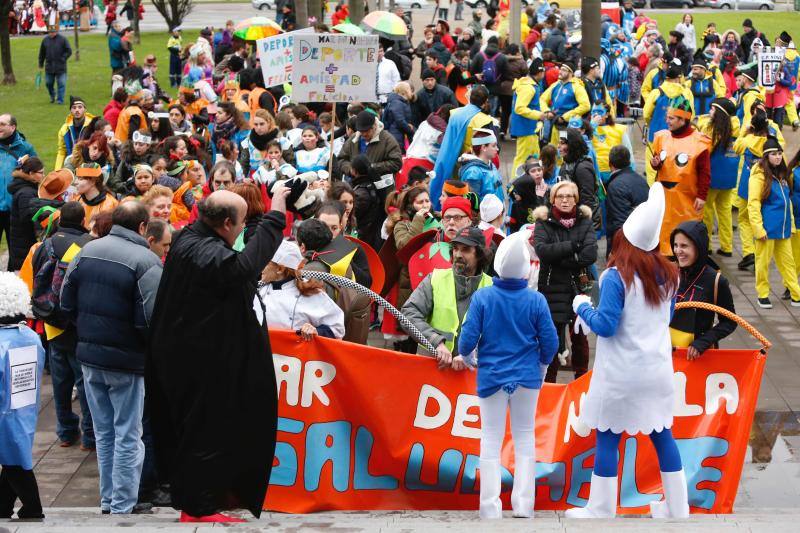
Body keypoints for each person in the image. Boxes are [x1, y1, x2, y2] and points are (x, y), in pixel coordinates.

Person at [147, 187, 288, 523]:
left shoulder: (191, 238)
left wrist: (263, 219)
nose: (242, 232)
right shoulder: (205, 254)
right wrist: (276, 216)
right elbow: (244, 267)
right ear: (226, 223)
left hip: (192, 355)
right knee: (203, 431)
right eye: (241, 224)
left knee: (207, 429)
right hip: (195, 364)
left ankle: (201, 501)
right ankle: (197, 508)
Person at [565, 183, 689, 520]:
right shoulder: (670, 275)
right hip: (658, 371)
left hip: (621, 373)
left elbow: (605, 326)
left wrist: (581, 306)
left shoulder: (614, 277)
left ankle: (601, 508)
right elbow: (666, 316)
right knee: (663, 436)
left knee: (607, 436)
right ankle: (678, 509)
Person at [60, 202, 163, 515]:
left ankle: (109, 500)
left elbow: (65, 302)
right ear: (143, 227)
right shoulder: (146, 260)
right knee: (129, 434)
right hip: (126, 362)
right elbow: (151, 318)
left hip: (90, 357)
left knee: (105, 434)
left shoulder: (86, 250)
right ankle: (122, 505)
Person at [458, 234, 557, 520]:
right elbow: (550, 342)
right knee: (525, 438)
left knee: (490, 439)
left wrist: (468, 357)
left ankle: (490, 507)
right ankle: (524, 505)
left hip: (491, 377)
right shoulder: (536, 299)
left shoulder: (484, 296)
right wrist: (541, 365)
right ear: (526, 268)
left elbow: (467, 341)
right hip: (527, 378)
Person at [31, 201, 94, 451]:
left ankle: (66, 432)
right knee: (84, 384)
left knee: (60, 383)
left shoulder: (44, 245)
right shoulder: (88, 245)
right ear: (82, 220)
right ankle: (90, 436)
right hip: (77, 324)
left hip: (51, 324)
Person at [532, 181, 597, 382]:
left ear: (576, 199)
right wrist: (573, 246)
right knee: (551, 339)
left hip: (578, 288)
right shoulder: (543, 221)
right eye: (560, 196)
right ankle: (549, 385)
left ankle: (581, 381)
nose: (565, 200)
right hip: (552, 289)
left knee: (580, 337)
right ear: (553, 200)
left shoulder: (585, 221)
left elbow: (590, 254)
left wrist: (559, 256)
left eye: (569, 196)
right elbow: (542, 250)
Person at [403, 225, 493, 363]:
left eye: (466, 250)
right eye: (456, 248)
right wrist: (435, 341)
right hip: (431, 368)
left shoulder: (493, 288)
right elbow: (408, 314)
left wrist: (472, 355)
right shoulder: (435, 278)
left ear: (480, 254)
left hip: (472, 374)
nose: (457, 255)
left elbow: (502, 333)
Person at [0, 272, 46, 520]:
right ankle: (3, 505)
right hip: (26, 405)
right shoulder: (30, 336)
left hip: (4, 410)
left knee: (14, 461)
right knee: (14, 454)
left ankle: (33, 507)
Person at [650, 96, 710, 255]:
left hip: (687, 198)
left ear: (683, 120)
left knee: (686, 231)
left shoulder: (699, 142)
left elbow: (705, 172)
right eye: (667, 118)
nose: (667, 121)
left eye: (671, 118)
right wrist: (655, 163)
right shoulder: (662, 137)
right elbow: (658, 162)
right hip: (664, 196)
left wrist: (702, 196)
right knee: (663, 228)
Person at [669, 221, 737, 357]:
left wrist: (703, 342)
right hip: (666, 354)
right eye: (675, 245)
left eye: (684, 246)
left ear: (698, 247)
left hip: (697, 358)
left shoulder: (716, 281)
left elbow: (730, 322)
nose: (678, 251)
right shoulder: (669, 271)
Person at [255, 239, 345, 340]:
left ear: (280, 269)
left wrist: (316, 331)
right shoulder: (259, 290)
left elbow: (337, 328)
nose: (260, 266)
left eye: (265, 263)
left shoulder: (311, 293)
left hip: (294, 355)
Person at [747, 138, 800, 308]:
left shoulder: (782, 175)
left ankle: (796, 293)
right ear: (766, 156)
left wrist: (790, 225)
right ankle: (762, 294)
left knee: (788, 263)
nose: (777, 157)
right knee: (763, 263)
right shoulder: (759, 176)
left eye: (779, 154)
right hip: (766, 230)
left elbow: (788, 204)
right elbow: (753, 203)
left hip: (783, 229)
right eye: (773, 154)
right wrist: (758, 229)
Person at [431, 85, 494, 208]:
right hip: (473, 165)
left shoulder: (455, 114)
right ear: (485, 101)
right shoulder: (483, 120)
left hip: (452, 160)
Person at [696, 98, 740, 258]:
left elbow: (704, 149)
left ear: (720, 112)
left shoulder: (712, 129)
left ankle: (706, 246)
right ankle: (727, 247)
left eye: (713, 109)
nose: (710, 112)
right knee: (725, 212)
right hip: (729, 176)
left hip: (712, 175)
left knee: (706, 212)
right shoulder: (736, 127)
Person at [338, 111, 402, 214]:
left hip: (381, 191)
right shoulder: (354, 139)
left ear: (374, 126)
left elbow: (396, 163)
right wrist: (350, 169)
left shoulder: (387, 139)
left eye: (366, 131)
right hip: (357, 189)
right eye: (361, 131)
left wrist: (371, 167)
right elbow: (341, 159)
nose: (363, 134)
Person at [643, 62, 694, 183]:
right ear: (678, 77)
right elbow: (690, 116)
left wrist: (652, 123)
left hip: (656, 137)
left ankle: (654, 194)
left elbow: (646, 114)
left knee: (652, 169)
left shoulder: (656, 92)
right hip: (678, 138)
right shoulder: (686, 94)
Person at [0, 114, 38, 256]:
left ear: (13, 127)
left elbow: (38, 174)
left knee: (16, 252)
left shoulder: (26, 148)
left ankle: (12, 277)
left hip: (14, 209)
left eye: (2, 124)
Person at [605, 145, 648, 258]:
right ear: (629, 162)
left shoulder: (615, 186)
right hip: (643, 241)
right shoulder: (641, 180)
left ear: (610, 164)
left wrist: (614, 252)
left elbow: (619, 222)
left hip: (626, 248)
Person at [539, 62, 590, 146]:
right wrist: (547, 111)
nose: (560, 71)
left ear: (571, 73)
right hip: (554, 122)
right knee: (553, 147)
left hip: (566, 126)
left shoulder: (577, 86)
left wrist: (565, 117)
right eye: (560, 69)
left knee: (564, 147)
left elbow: (585, 106)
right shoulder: (556, 85)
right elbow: (542, 99)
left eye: (564, 70)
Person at [558, 129, 600, 230]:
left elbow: (588, 200)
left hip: (581, 224)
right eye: (558, 143)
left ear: (572, 145)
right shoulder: (566, 164)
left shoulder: (582, 168)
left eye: (562, 143)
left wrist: (586, 228)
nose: (558, 146)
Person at [510, 59, 545, 172]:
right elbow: (519, 108)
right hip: (526, 129)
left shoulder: (529, 85)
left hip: (530, 129)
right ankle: (514, 185)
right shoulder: (529, 88)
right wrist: (539, 115)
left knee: (533, 157)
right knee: (522, 159)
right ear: (540, 73)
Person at [458, 128, 504, 203]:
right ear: (484, 148)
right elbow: (472, 204)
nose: (497, 149)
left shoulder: (491, 165)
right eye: (494, 146)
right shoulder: (473, 172)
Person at [508, 159, 549, 232]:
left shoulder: (548, 191)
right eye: (533, 171)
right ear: (527, 174)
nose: (537, 173)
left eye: (539, 170)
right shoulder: (518, 192)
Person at [75, 164, 119, 228]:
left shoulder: (110, 204)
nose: (75, 182)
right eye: (77, 178)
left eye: (80, 179)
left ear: (93, 181)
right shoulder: (76, 199)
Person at [56, 96, 94, 169]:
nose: (77, 110)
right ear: (70, 110)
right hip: (71, 163)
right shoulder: (64, 129)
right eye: (74, 108)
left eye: (80, 107)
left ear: (85, 109)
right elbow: (61, 151)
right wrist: (57, 170)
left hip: (89, 163)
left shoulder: (92, 126)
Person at [38, 24, 72, 105]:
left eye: (53, 32)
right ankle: (52, 95)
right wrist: (40, 64)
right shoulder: (45, 40)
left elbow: (69, 51)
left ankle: (60, 100)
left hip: (61, 67)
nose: (52, 34)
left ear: (56, 31)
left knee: (61, 83)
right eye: (50, 32)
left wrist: (63, 58)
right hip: (49, 67)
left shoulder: (63, 39)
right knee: (48, 83)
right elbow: (41, 53)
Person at [383, 82, 415, 152]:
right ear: (404, 91)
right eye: (410, 90)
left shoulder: (400, 102)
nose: (411, 92)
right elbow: (399, 120)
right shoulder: (397, 103)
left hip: (398, 134)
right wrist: (409, 129)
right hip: (396, 135)